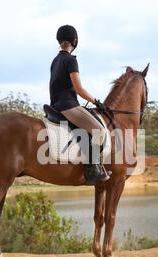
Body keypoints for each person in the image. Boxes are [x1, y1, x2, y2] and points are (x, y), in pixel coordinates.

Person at [49, 25, 111, 184]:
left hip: (55, 105)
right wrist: (97, 102)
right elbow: (79, 89)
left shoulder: (55, 60)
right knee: (99, 131)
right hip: (68, 106)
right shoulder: (71, 60)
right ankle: (93, 170)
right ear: (74, 41)